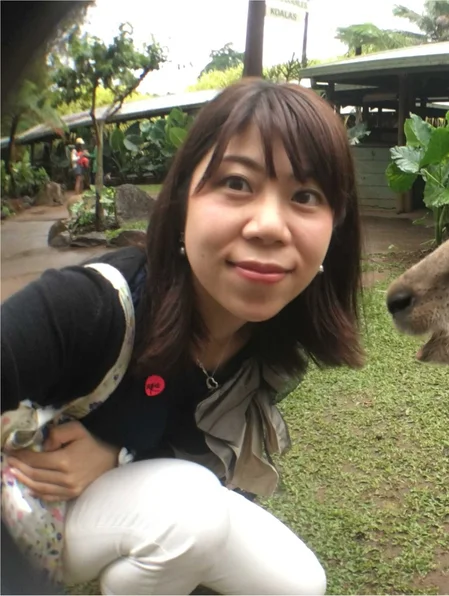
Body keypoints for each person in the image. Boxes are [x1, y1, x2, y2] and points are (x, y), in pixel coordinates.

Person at [1, 78, 364, 595]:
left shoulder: (269, 340)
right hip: (25, 516)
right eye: (237, 183)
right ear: (181, 202)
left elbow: (189, 450)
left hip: (121, 504)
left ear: (335, 228)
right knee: (191, 511)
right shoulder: (93, 304)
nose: (269, 225)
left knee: (298, 584)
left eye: (305, 196)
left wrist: (114, 454)